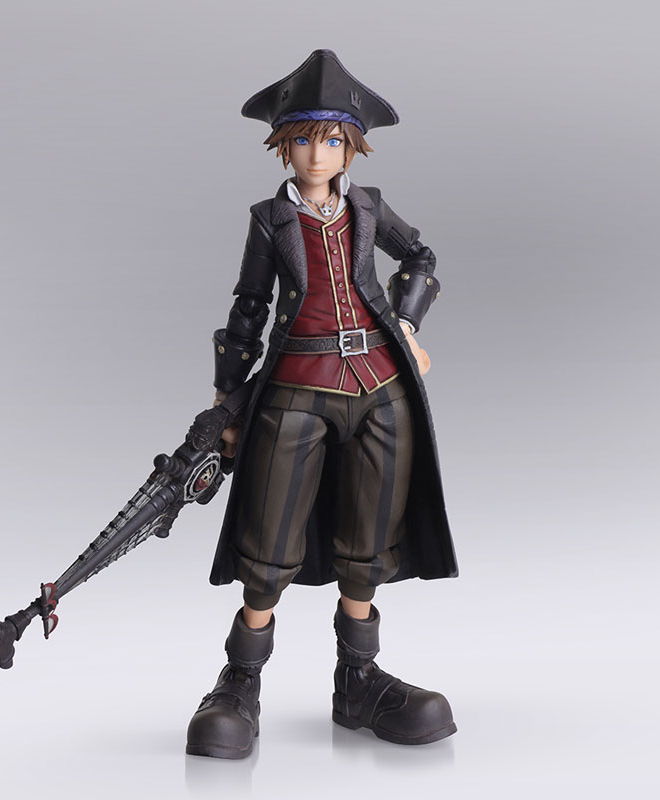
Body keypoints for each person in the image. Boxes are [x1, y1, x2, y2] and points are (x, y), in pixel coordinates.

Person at [185, 50, 459, 759]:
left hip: (380, 386)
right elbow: (249, 308)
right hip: (296, 388)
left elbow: (421, 257)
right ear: (284, 144)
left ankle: (358, 681)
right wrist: (226, 401)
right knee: (268, 539)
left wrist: (406, 325)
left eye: (332, 139)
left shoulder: (367, 207)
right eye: (304, 138)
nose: (317, 154)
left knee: (369, 541)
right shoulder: (270, 220)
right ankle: (240, 683)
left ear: (351, 145)